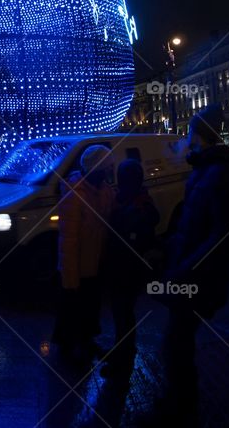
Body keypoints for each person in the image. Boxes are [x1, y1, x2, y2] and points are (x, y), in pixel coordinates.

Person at [145, 105, 229, 426]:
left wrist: (187, 268)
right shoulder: (204, 170)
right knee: (177, 343)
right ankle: (180, 402)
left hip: (198, 280)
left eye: (189, 132)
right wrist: (167, 248)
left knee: (176, 344)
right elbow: (192, 225)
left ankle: (181, 408)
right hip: (188, 272)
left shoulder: (219, 174)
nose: (185, 138)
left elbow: (224, 233)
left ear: (198, 136)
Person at [53, 144, 114, 365]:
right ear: (96, 168)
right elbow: (68, 241)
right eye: (107, 167)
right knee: (72, 308)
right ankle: (68, 349)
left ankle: (86, 341)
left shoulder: (104, 190)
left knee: (90, 307)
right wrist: (70, 278)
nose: (110, 172)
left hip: (94, 263)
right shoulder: (75, 195)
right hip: (77, 267)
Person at [100, 158, 159, 379]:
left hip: (127, 270)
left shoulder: (138, 205)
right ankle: (122, 350)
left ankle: (123, 359)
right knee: (121, 314)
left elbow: (138, 235)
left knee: (123, 314)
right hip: (120, 268)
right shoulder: (126, 199)